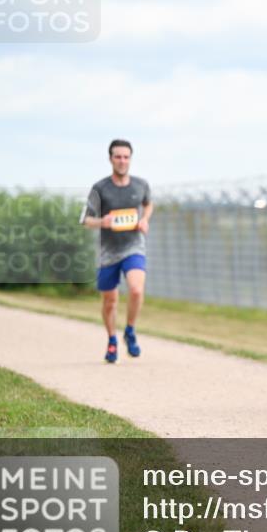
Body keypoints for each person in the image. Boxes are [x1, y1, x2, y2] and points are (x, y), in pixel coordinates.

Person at [80, 139, 153, 364]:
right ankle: (112, 339)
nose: (122, 161)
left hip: (133, 247)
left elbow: (148, 203)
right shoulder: (100, 188)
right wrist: (104, 222)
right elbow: (85, 220)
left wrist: (145, 220)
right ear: (110, 159)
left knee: (136, 290)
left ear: (130, 159)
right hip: (108, 252)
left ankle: (129, 331)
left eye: (126, 157)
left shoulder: (140, 185)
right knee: (110, 301)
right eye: (118, 157)